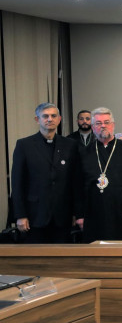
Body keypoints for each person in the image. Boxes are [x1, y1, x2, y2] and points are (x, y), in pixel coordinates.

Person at [11, 102, 80, 243]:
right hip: (34, 216)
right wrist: (20, 215)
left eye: (53, 116)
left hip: (62, 216)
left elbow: (75, 181)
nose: (50, 119)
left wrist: (76, 212)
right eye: (45, 116)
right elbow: (17, 183)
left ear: (59, 119)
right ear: (37, 120)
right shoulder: (24, 145)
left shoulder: (70, 145)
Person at [76, 107, 122, 242]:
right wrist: (79, 215)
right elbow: (77, 187)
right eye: (98, 123)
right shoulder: (84, 152)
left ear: (113, 125)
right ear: (93, 127)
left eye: (106, 122)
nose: (103, 126)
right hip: (93, 210)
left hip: (121, 209)